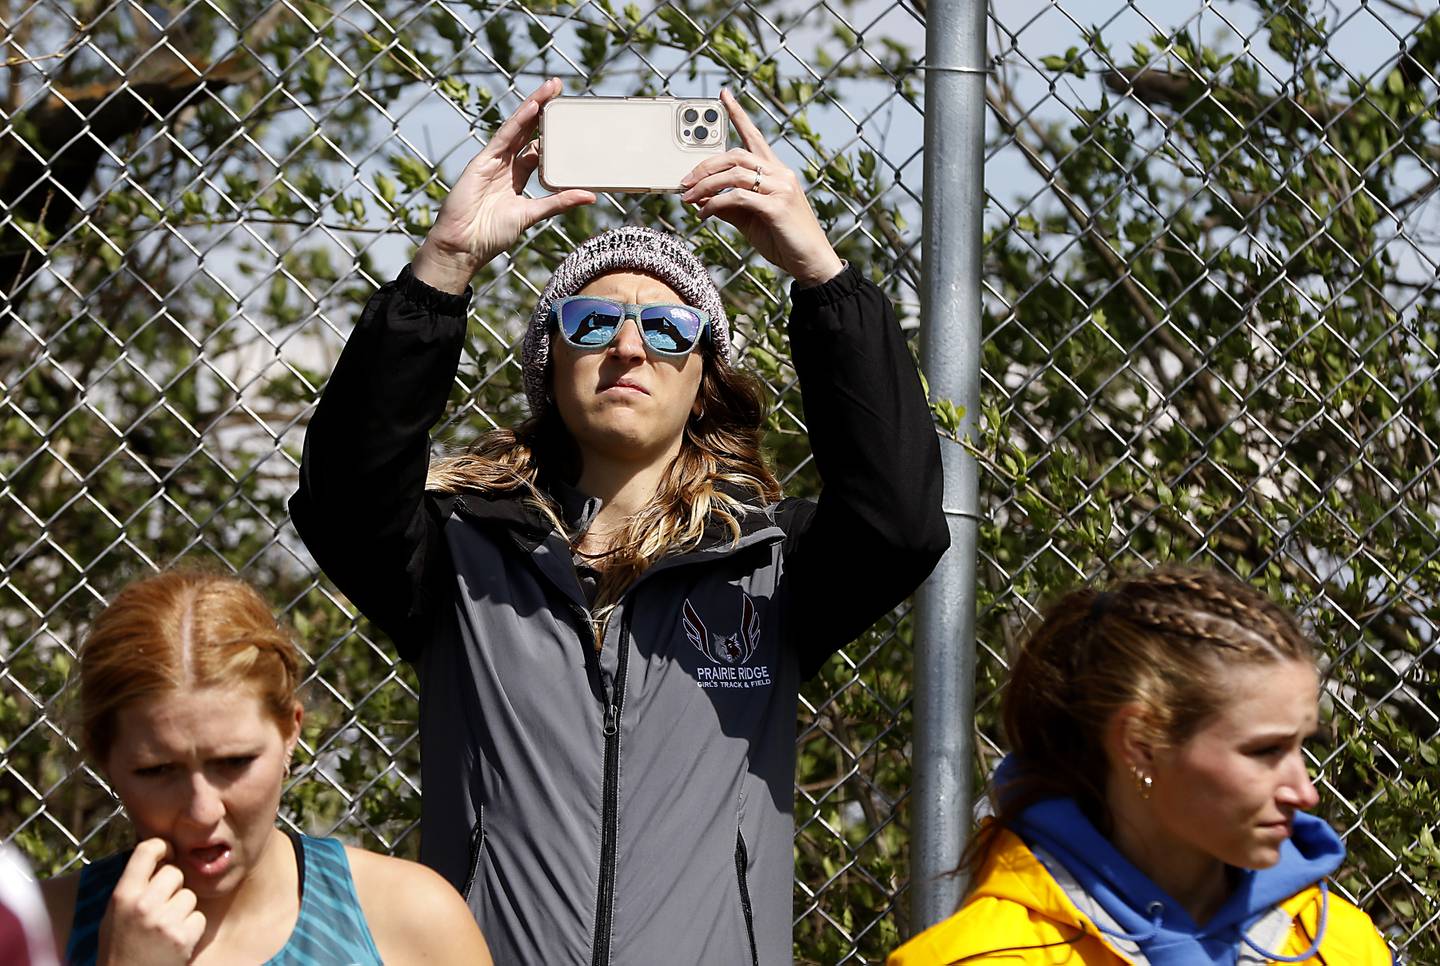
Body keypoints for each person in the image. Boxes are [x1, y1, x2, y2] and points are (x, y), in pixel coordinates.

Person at [289, 78, 948, 964]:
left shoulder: (770, 565)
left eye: (669, 327)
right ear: (549, 360)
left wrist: (819, 273)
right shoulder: (459, 553)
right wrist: (443, 265)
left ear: (704, 373)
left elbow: (899, 521)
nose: (630, 346)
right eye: (594, 320)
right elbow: (342, 499)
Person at [888, 567, 1391, 965]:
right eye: (1265, 752)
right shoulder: (983, 958)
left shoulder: (1345, 948)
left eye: (1304, 746)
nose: (1306, 794)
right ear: (1141, 744)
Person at [37, 569, 493, 965]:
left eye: (233, 762)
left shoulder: (409, 918)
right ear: (104, 758)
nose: (202, 811)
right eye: (158, 770)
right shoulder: (38, 933)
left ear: (290, 733)